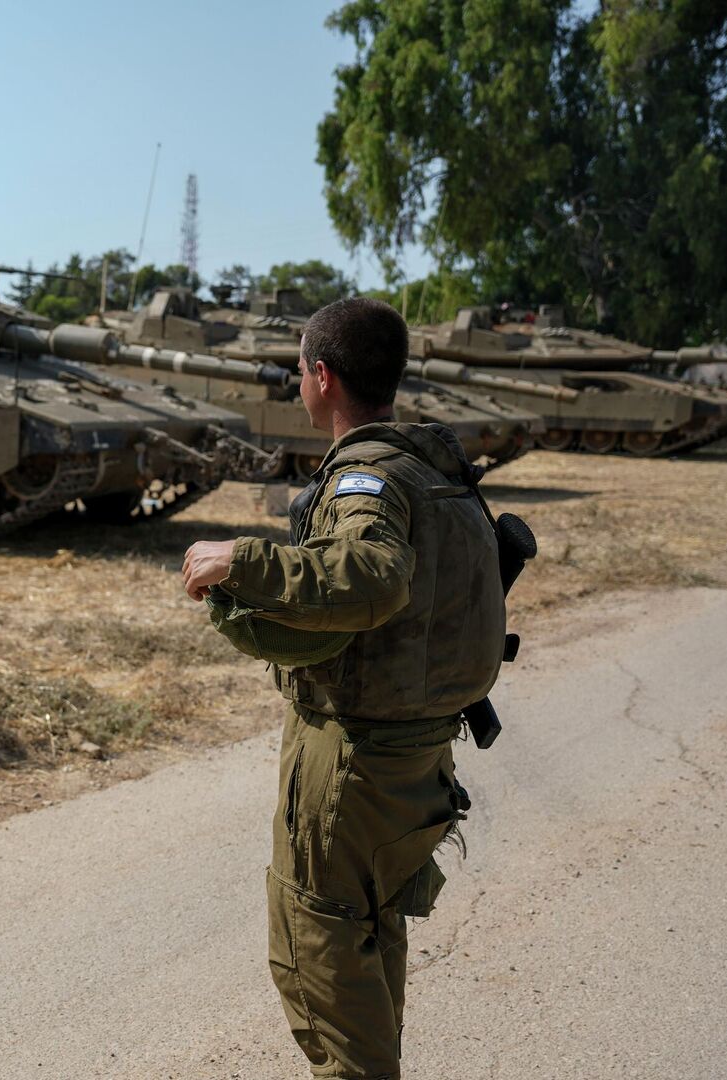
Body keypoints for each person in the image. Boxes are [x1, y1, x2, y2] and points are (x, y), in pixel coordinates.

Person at [179, 297, 506, 1080]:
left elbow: (373, 576)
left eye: (300, 369)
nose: (299, 381)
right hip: (414, 759)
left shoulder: (366, 476)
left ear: (320, 377)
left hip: (351, 767)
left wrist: (243, 561)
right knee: (369, 938)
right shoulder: (427, 462)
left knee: (321, 964)